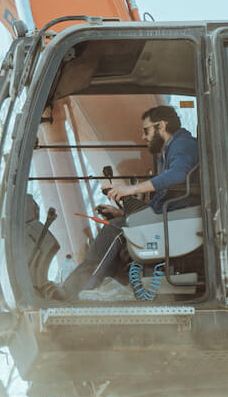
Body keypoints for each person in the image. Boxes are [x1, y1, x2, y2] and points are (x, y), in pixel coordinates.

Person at [56, 104, 198, 300]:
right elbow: (161, 201)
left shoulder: (183, 143)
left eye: (146, 130)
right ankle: (102, 288)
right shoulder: (169, 151)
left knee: (116, 230)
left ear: (162, 126)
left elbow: (179, 174)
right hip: (169, 218)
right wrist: (123, 213)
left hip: (178, 220)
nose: (143, 136)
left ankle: (75, 292)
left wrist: (131, 189)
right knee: (119, 223)